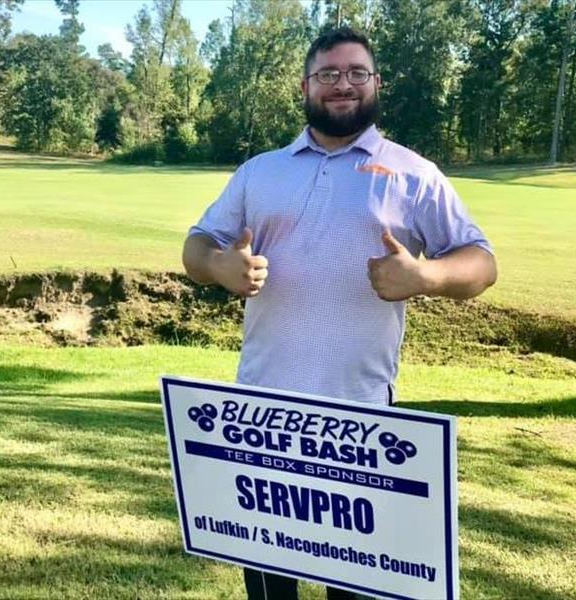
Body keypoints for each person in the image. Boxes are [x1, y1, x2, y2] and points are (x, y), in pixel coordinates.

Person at [182, 26, 496, 600]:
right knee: (268, 586)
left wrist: (425, 277)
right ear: (305, 85)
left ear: (376, 84)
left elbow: (481, 263)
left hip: (360, 423)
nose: (342, 85)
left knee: (351, 583)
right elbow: (198, 243)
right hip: (262, 417)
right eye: (328, 74)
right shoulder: (260, 171)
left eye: (356, 73)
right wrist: (219, 266)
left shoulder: (414, 173)